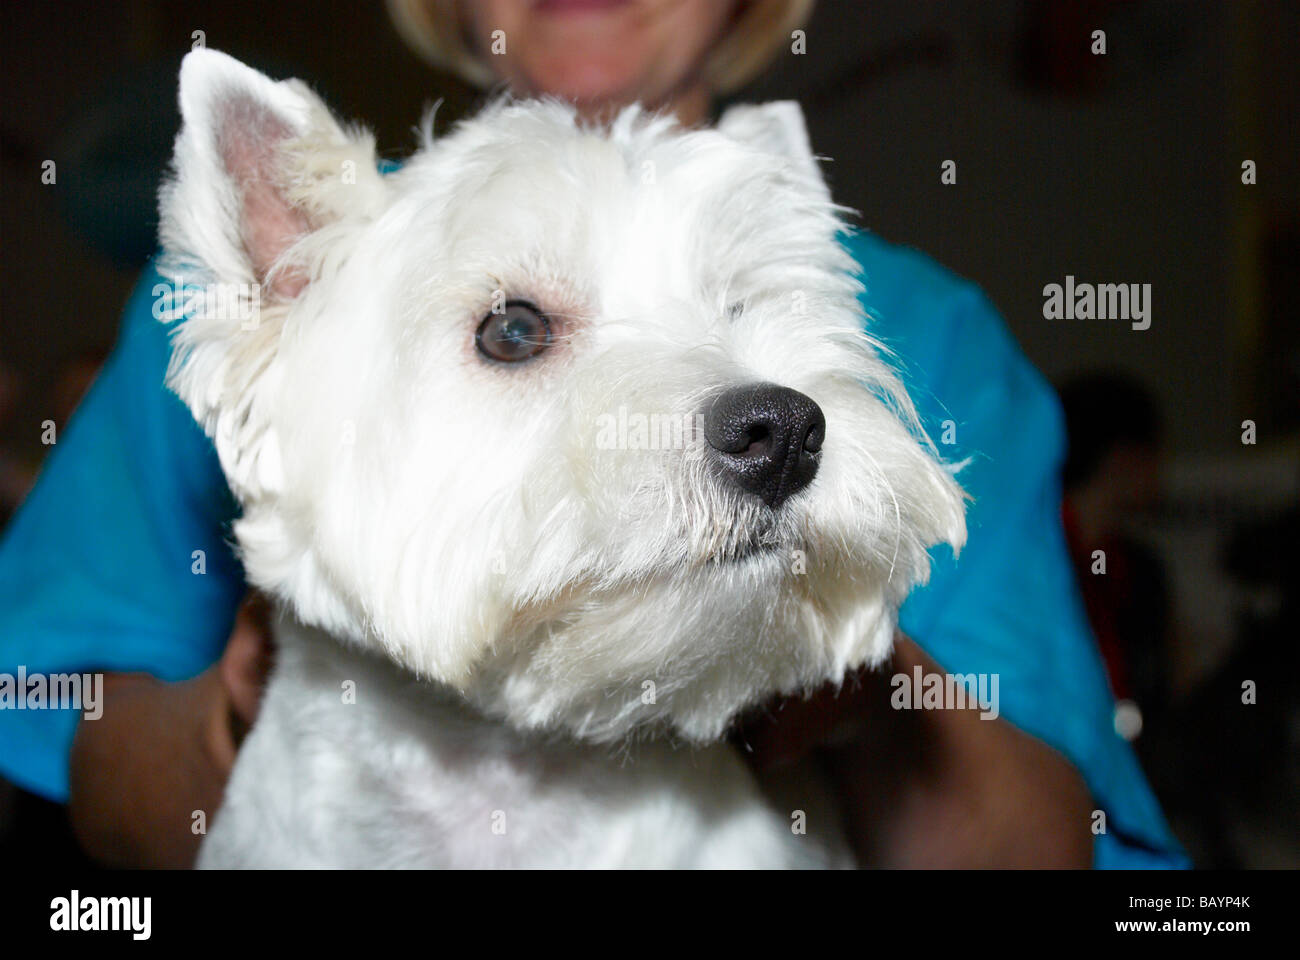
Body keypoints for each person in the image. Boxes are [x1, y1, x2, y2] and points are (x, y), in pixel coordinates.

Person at [0, 0, 1185, 868]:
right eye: (514, 333)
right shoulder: (306, 268)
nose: (755, 410)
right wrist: (234, 709)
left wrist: (859, 689)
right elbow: (76, 737)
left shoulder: (936, 332)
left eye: (738, 311)